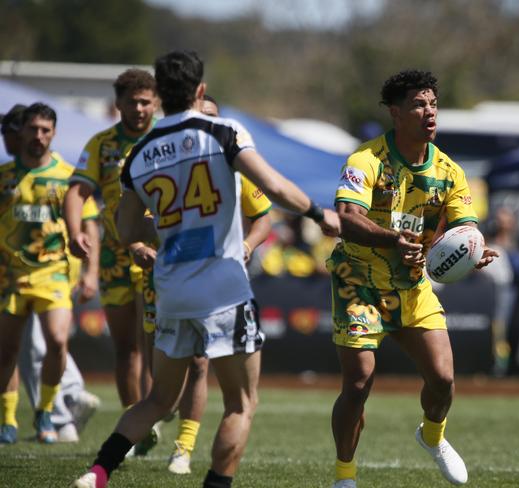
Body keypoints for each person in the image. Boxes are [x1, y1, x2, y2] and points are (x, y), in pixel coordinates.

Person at [72, 50, 340, 488]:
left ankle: (98, 472)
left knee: (158, 398)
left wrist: (173, 227)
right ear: (200, 91)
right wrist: (316, 212)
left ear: (158, 96)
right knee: (241, 404)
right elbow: (272, 186)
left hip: (171, 289)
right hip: (223, 289)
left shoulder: (138, 154)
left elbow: (124, 229)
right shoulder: (222, 130)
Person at [327, 70, 498, 487]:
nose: (429, 112)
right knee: (359, 382)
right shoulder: (365, 160)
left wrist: (472, 252)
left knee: (442, 379)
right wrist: (392, 239)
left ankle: (432, 436)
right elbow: (346, 220)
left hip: (412, 282)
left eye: (433, 104)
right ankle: (345, 477)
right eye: (419, 105)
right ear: (395, 112)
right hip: (359, 281)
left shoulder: (450, 171)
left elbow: (464, 228)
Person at [164, 93, 273, 475]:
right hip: (170, 280)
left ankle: (183, 448)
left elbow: (264, 218)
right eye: (200, 116)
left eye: (212, 116)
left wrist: (245, 245)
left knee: (204, 367)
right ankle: (128, 442)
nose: (206, 123)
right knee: (151, 373)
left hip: (222, 284)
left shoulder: (237, 162)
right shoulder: (172, 163)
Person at [63, 69, 160, 453]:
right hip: (117, 258)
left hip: (160, 253)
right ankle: (133, 426)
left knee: (157, 345)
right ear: (117, 104)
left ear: (156, 103)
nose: (138, 108)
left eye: (145, 101)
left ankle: (158, 409)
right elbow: (76, 192)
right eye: (131, 102)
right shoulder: (102, 145)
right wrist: (75, 233)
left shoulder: (167, 139)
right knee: (127, 348)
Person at [0, 104, 100, 445]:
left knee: (57, 341)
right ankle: (8, 419)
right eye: (33, 129)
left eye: (45, 130)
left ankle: (46, 410)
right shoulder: (5, 178)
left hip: (53, 273)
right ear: (22, 132)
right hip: (10, 276)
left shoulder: (69, 176)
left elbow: (90, 222)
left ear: (53, 133)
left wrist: (91, 271)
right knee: (8, 350)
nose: (39, 136)